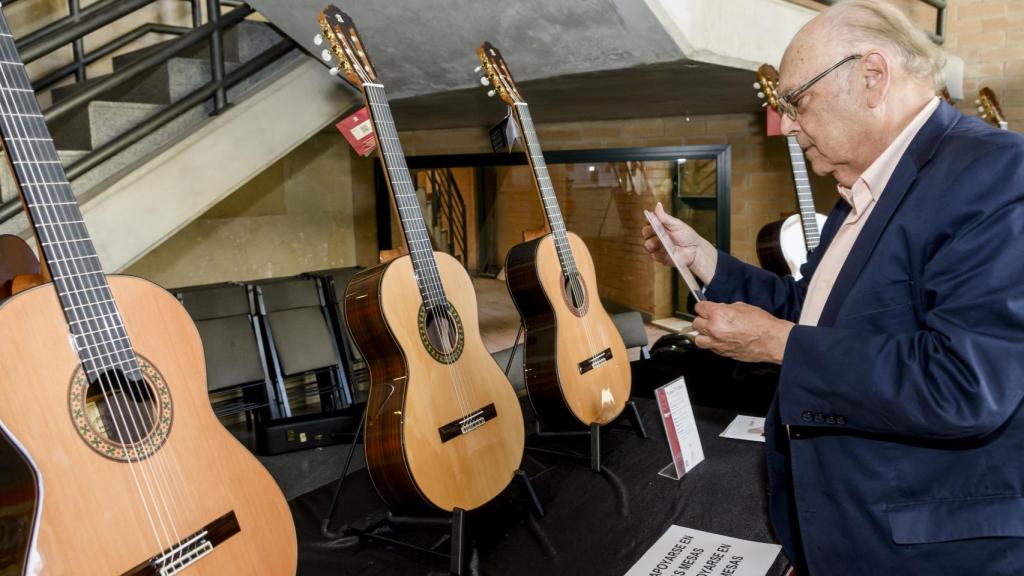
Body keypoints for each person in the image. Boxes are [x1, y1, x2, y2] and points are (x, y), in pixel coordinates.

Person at [642, 0, 1024, 573]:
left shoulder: (996, 173)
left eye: (797, 101)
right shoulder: (863, 191)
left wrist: (779, 344)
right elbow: (810, 313)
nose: (788, 124)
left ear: (872, 76)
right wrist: (707, 261)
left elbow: (963, 384)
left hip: (921, 552)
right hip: (842, 529)